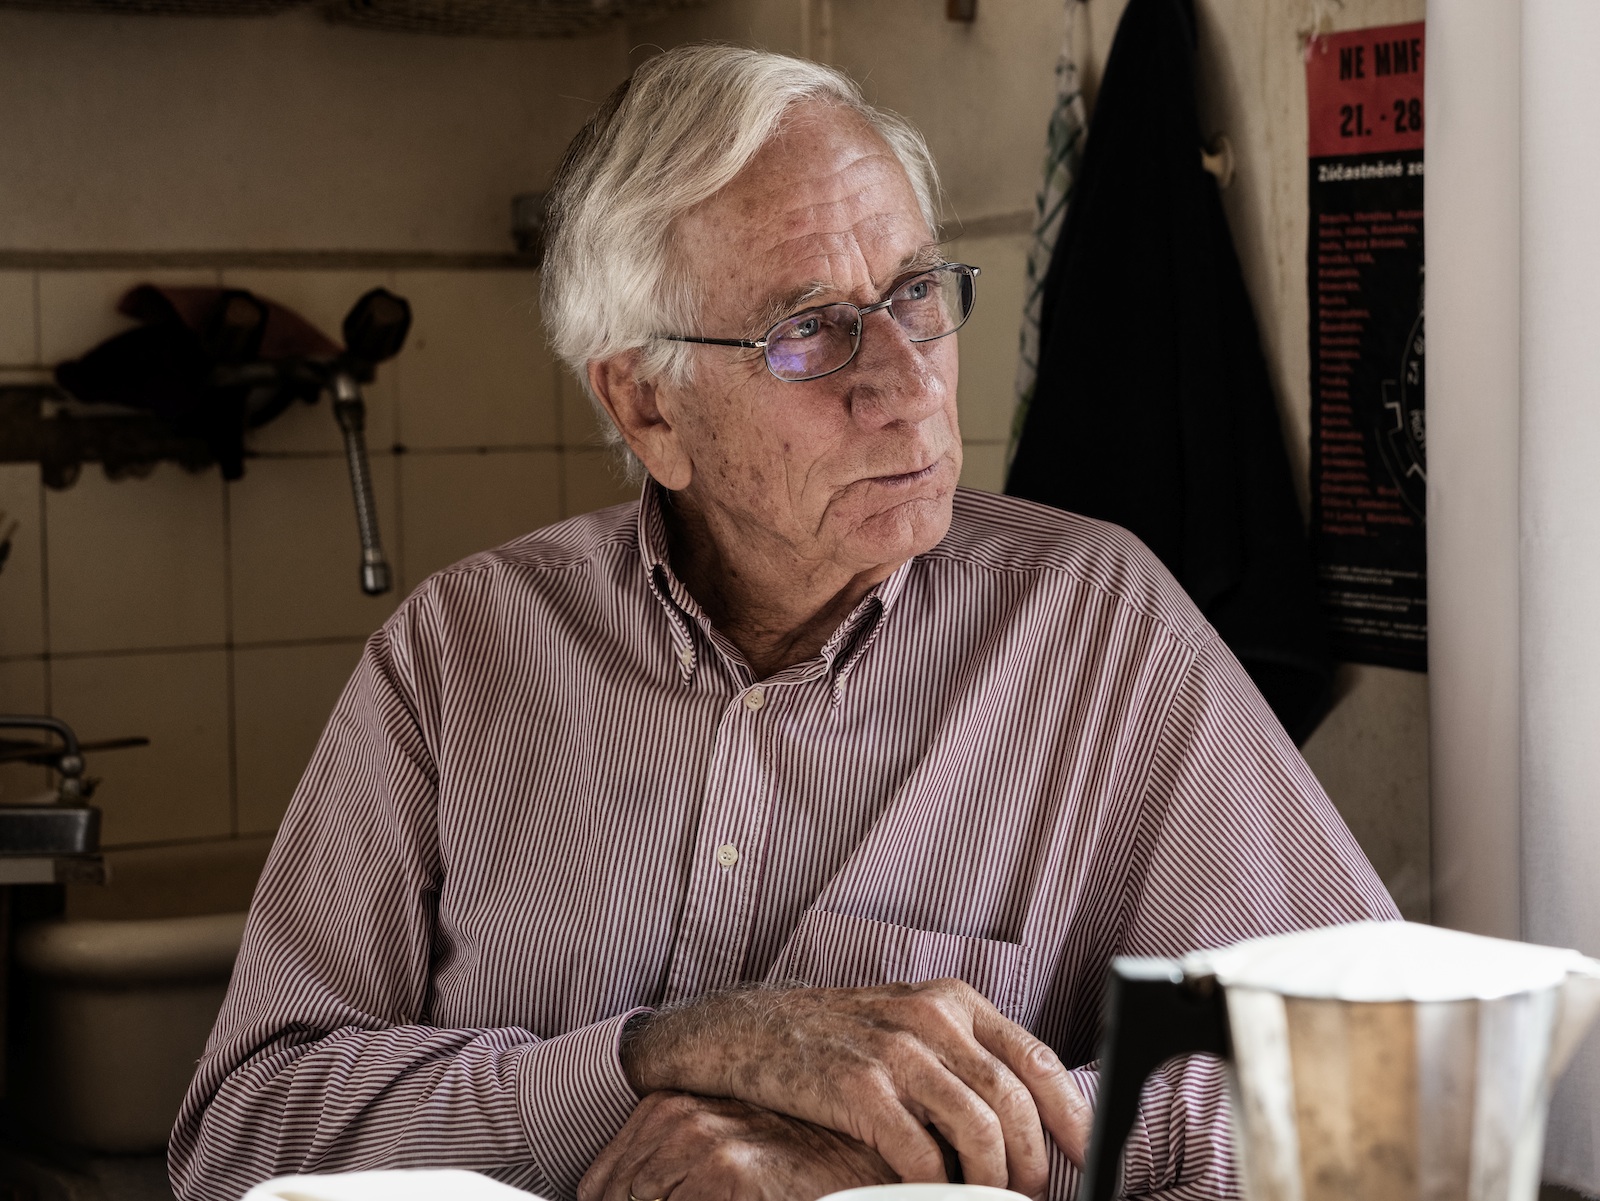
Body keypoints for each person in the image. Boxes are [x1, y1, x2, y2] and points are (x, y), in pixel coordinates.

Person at [170, 44, 1395, 1201]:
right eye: (808, 327)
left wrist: (903, 1143)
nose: (908, 384)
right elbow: (238, 1138)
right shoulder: (460, 652)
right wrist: (665, 1051)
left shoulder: (1099, 629)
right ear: (647, 406)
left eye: (914, 291)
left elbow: (1372, 1077)